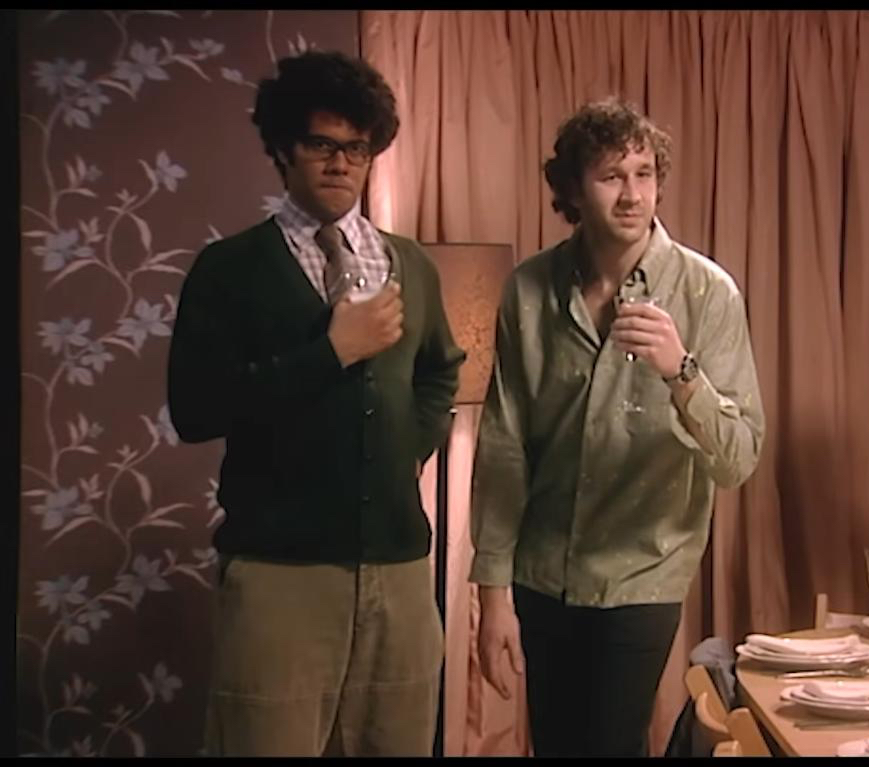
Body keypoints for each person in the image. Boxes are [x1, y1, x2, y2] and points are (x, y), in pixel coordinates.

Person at [167, 51, 465, 756]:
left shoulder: (411, 266)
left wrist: (407, 447)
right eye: (321, 145)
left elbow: (441, 373)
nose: (340, 163)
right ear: (283, 148)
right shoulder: (229, 268)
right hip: (280, 574)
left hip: (399, 568)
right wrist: (330, 352)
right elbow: (195, 409)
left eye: (356, 148)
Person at [468, 97, 764, 757]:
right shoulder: (528, 289)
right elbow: (504, 445)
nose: (632, 195)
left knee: (612, 743)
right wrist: (493, 594)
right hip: (542, 571)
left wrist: (680, 371)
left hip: (644, 569)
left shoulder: (707, 292)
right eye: (611, 176)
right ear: (574, 189)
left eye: (644, 173)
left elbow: (739, 458)